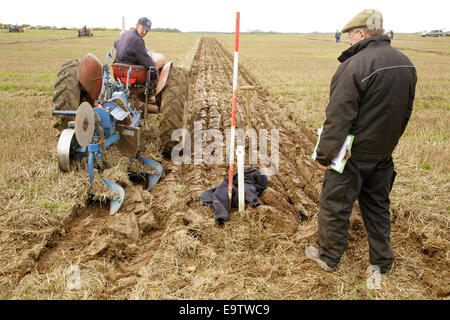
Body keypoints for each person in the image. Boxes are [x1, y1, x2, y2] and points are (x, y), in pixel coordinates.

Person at [305, 9, 417, 275]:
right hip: (381, 155)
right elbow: (406, 112)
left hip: (352, 157)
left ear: (362, 34)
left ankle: (328, 257)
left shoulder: (354, 66)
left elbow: (338, 118)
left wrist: (325, 156)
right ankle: (382, 262)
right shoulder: (405, 63)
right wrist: (387, 147)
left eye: (350, 36)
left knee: (335, 206)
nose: (348, 41)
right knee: (378, 207)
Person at [113, 17, 157, 112]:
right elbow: (147, 60)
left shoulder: (125, 34)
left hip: (118, 69)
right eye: (143, 29)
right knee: (152, 71)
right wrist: (154, 74)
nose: (144, 32)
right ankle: (149, 98)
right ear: (137, 26)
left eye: (147, 31)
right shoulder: (137, 40)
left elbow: (116, 43)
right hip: (130, 72)